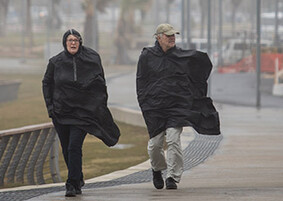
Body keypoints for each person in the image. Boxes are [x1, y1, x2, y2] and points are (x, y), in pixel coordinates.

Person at [136, 23, 220, 190]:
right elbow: (141, 81)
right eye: (168, 35)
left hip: (176, 107)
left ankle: (172, 177)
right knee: (155, 145)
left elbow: (197, 72)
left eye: (173, 35)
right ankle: (157, 169)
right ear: (158, 37)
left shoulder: (181, 56)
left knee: (173, 139)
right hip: (154, 108)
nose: (172, 38)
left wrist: (191, 98)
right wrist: (144, 103)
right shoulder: (147, 56)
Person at [42, 29, 120, 197]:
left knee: (74, 146)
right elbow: (46, 83)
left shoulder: (91, 59)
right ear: (65, 43)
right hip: (61, 113)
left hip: (83, 114)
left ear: (80, 42)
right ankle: (78, 178)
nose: (73, 43)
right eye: (69, 40)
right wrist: (51, 108)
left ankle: (71, 184)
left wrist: (98, 106)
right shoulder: (55, 62)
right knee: (66, 149)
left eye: (76, 40)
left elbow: (101, 83)